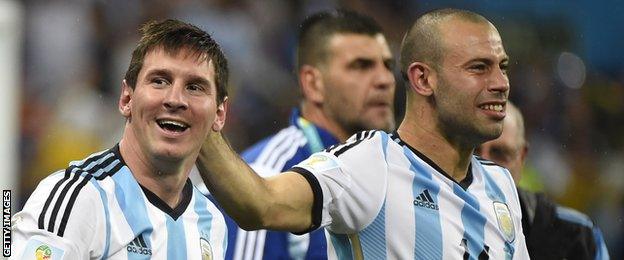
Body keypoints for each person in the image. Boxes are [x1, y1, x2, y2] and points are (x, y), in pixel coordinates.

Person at [198, 8, 529, 258]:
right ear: (424, 80)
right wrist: (200, 110)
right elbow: (261, 205)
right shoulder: (372, 161)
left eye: (503, 67)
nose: (501, 84)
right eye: (479, 67)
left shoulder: (501, 184)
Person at [11, 19, 229, 259]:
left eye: (195, 87)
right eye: (159, 81)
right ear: (127, 99)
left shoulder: (211, 222)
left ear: (219, 114)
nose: (175, 99)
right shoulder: (80, 199)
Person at [210, 10, 396, 260]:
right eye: (361, 66)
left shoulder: (398, 171)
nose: (384, 80)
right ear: (313, 83)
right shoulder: (266, 174)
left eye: (388, 65)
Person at [476, 102, 610, 260]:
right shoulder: (441, 222)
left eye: (500, 153)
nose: (483, 164)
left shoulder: (578, 239)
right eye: (473, 150)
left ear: (522, 158)